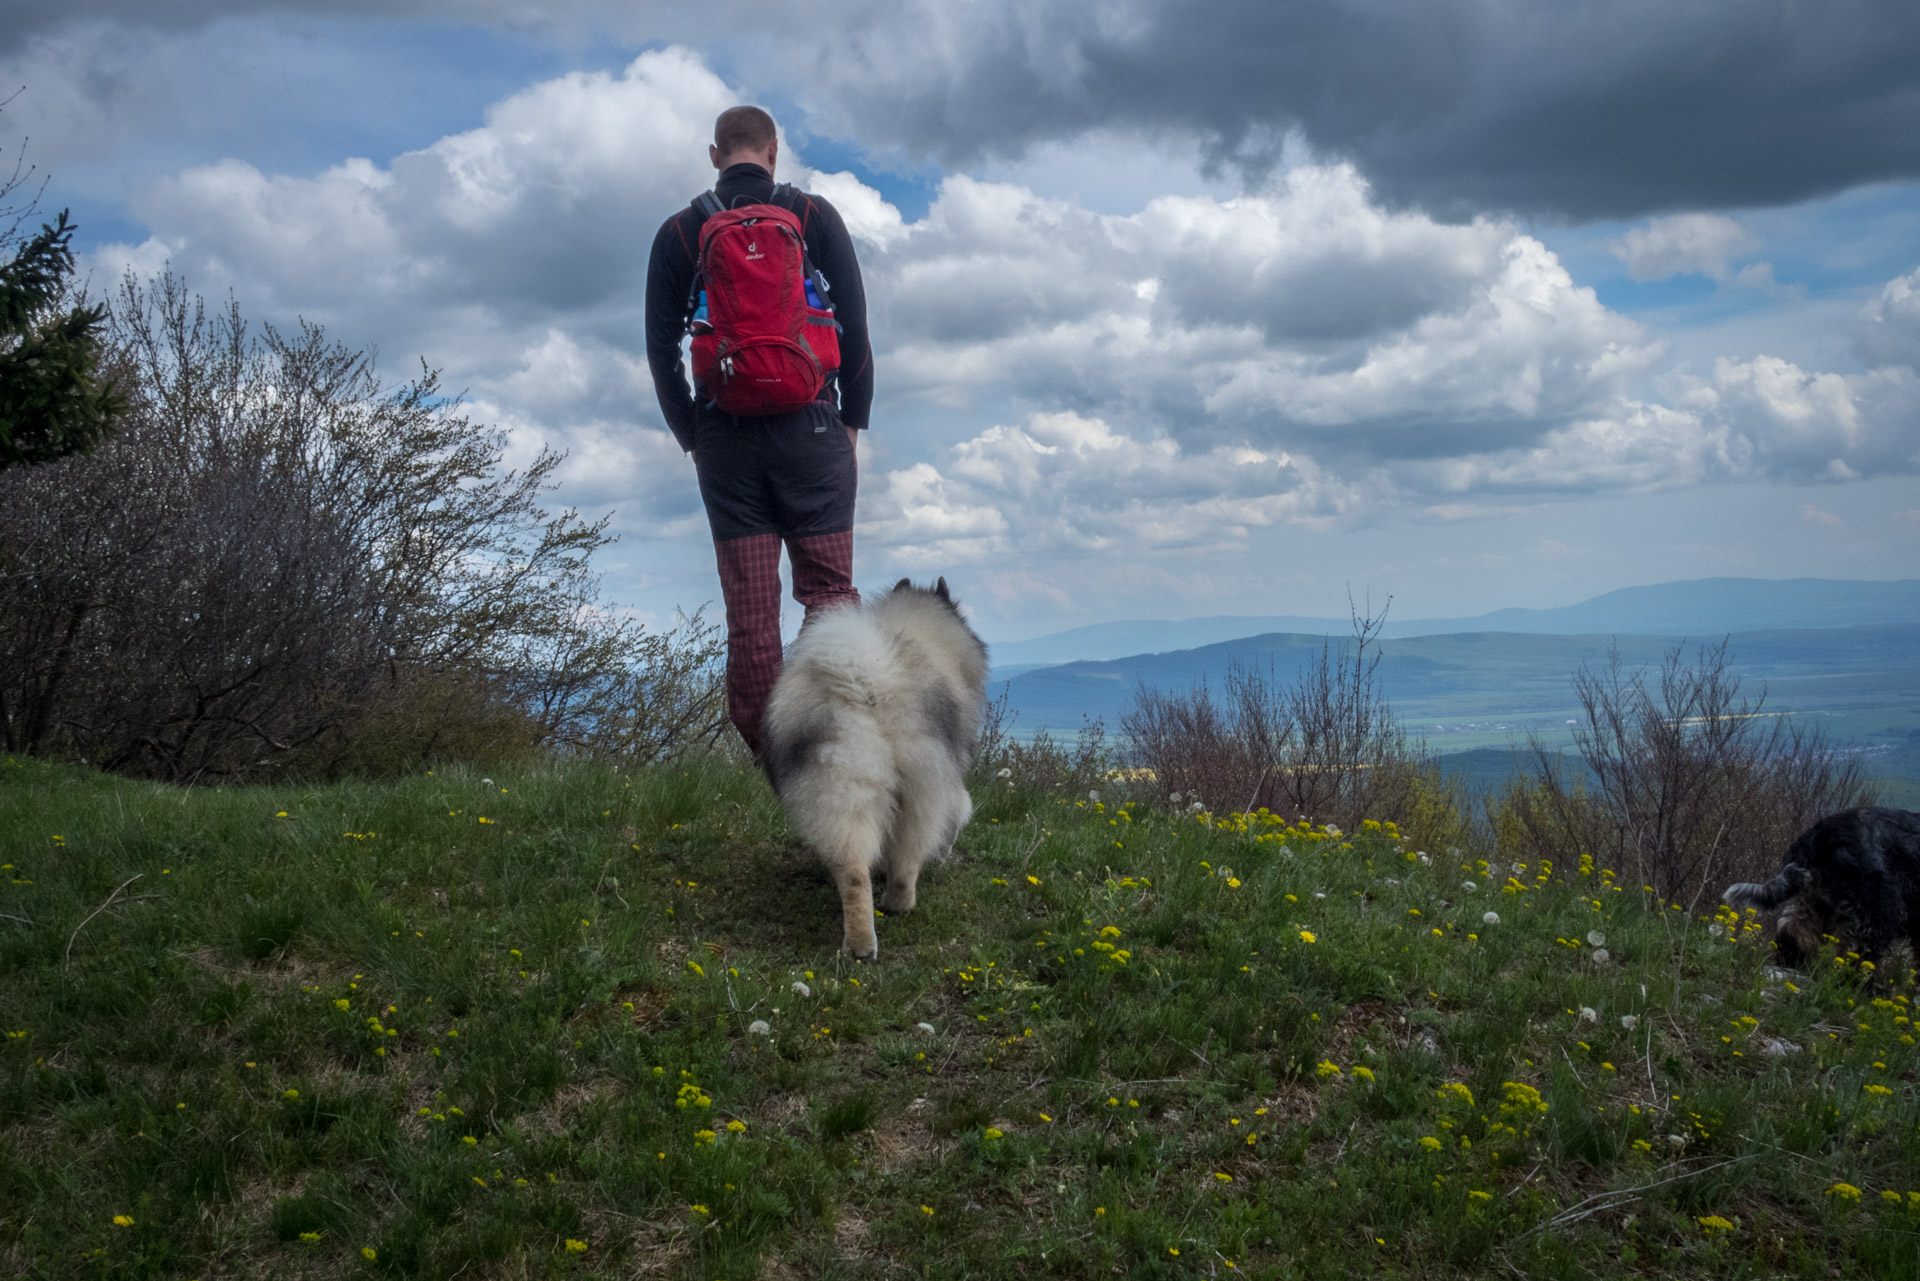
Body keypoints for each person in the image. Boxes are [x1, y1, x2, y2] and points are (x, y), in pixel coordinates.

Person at [645, 105, 874, 756]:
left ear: (715, 155)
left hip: (726, 441)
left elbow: (661, 352)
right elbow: (855, 337)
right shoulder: (814, 217)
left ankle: (782, 764)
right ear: (773, 152)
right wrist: (850, 425)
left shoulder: (682, 231)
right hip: (813, 432)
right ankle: (840, 745)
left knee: (751, 616)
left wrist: (696, 437)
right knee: (830, 593)